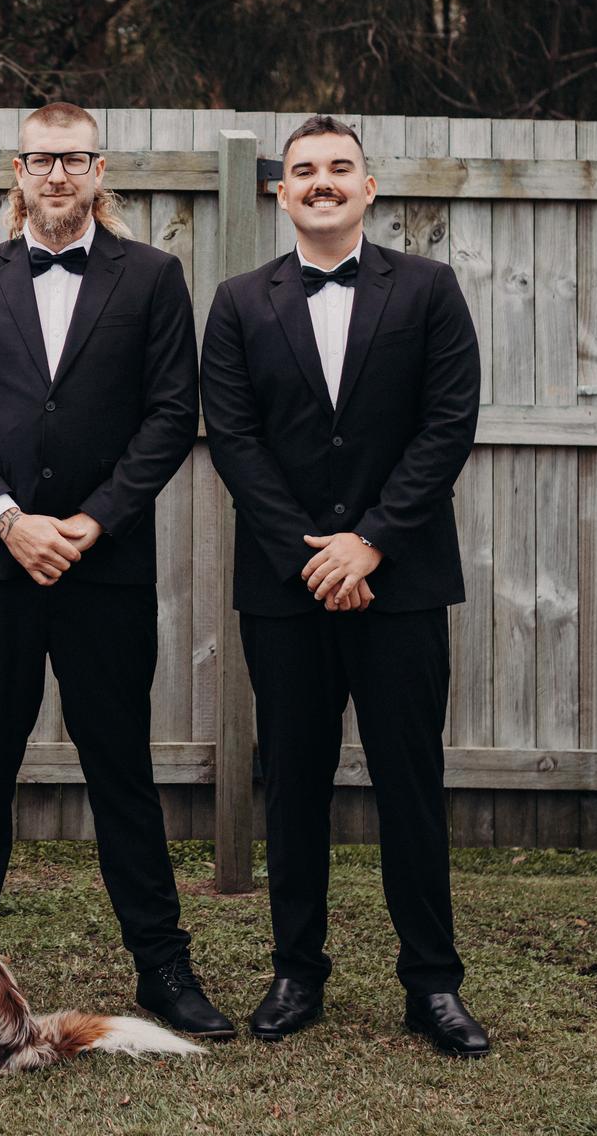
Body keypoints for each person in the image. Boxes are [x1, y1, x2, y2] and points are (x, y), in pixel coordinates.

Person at [0, 102, 230, 1038]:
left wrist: (92, 522)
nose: (57, 175)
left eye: (75, 160)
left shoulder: (154, 279)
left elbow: (171, 416)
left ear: (102, 170)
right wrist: (11, 521)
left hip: (104, 572)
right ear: (15, 171)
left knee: (121, 772)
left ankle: (163, 968)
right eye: (41, 160)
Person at [200, 114, 488, 1056]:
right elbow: (234, 442)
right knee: (292, 781)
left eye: (339, 168)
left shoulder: (431, 291)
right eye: (303, 171)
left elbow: (447, 428)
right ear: (280, 192)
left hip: (400, 583)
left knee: (412, 781)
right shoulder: (241, 302)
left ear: (368, 187)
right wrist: (311, 554)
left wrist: (368, 545)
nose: (321, 182)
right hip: (285, 590)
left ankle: (433, 985)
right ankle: (296, 973)